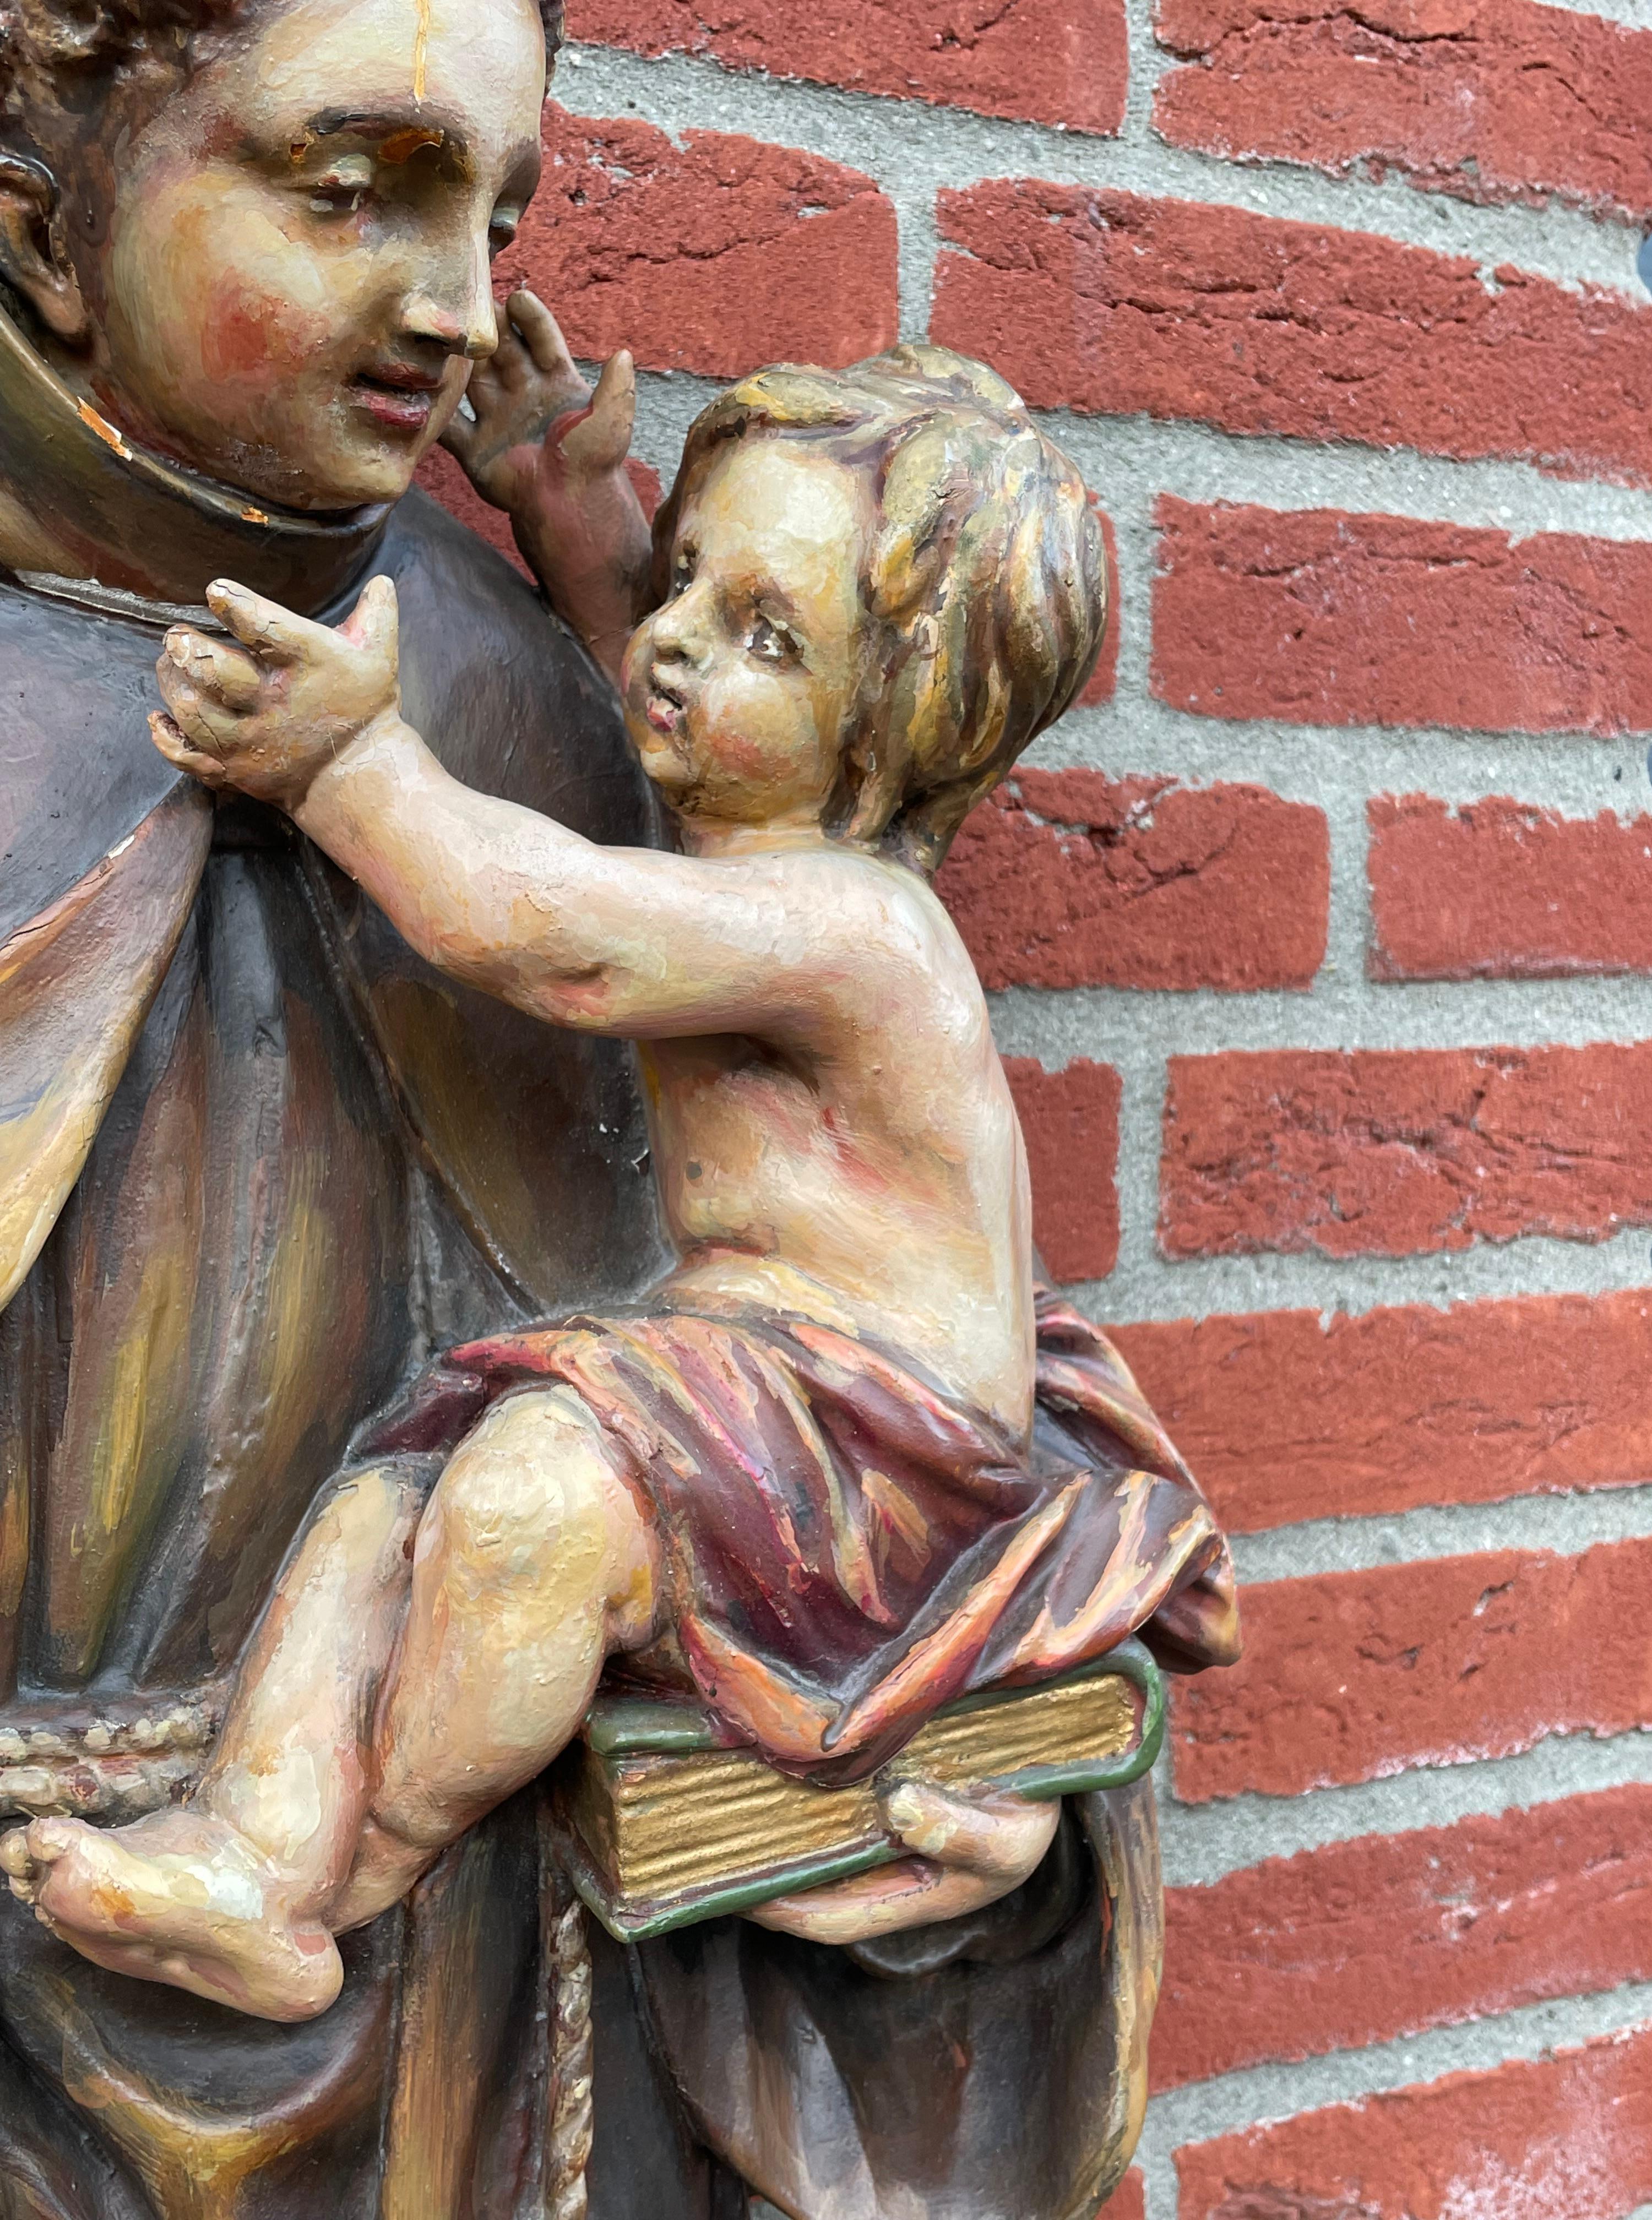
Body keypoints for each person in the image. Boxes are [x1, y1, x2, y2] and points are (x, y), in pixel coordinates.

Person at [0, 0, 1236, 2204]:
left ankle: (307, 1857)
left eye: (508, 205)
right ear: (50, 208)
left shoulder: (570, 754)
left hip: (550, 2081)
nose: (465, 304)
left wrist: (969, 1779)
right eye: (350, 182)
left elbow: (916, 1399)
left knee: (504, 1501)